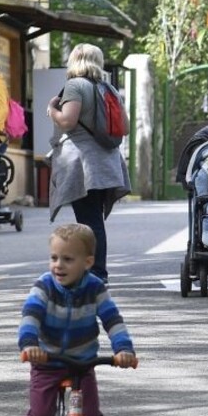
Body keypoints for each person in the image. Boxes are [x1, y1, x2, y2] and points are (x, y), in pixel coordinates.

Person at [17, 224, 138, 416]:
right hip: (47, 362)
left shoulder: (95, 288)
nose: (58, 265)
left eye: (68, 259)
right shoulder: (44, 286)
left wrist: (124, 349)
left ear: (88, 262)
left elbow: (113, 320)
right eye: (54, 258)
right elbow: (31, 316)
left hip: (82, 364)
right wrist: (29, 344)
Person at [47, 44, 131, 283]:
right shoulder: (109, 88)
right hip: (107, 164)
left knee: (89, 222)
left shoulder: (75, 86)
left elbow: (68, 120)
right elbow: (124, 127)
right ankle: (96, 272)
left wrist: (52, 109)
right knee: (93, 219)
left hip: (83, 166)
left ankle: (96, 274)